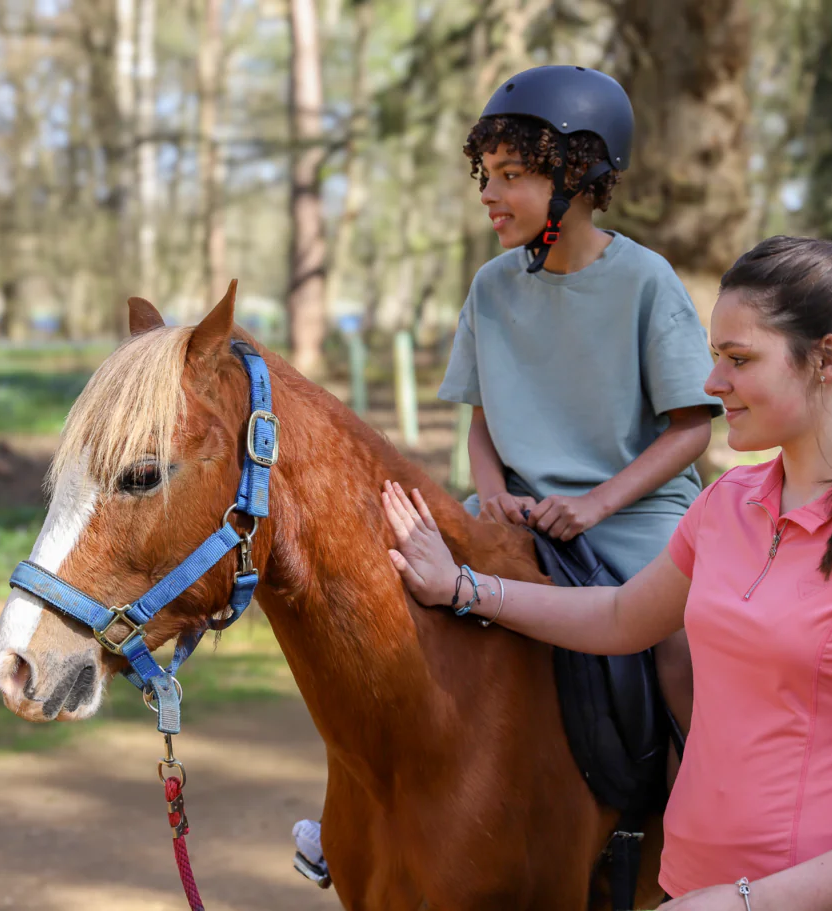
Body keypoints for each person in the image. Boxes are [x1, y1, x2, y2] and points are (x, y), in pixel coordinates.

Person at [380, 235, 832, 910]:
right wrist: (462, 587)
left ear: (827, 360)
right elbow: (621, 617)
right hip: (687, 890)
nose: (711, 384)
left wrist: (750, 903)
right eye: (715, 357)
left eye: (737, 359)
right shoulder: (725, 505)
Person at [292, 63, 721, 886]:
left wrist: (596, 503)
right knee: (386, 610)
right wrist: (488, 495)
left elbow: (689, 431)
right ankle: (363, 808)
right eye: (485, 177)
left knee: (677, 640)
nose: (490, 194)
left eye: (512, 176)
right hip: (510, 507)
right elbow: (481, 423)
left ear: (577, 177)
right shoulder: (489, 288)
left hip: (634, 511)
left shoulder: (645, 281)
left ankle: (699, 825)